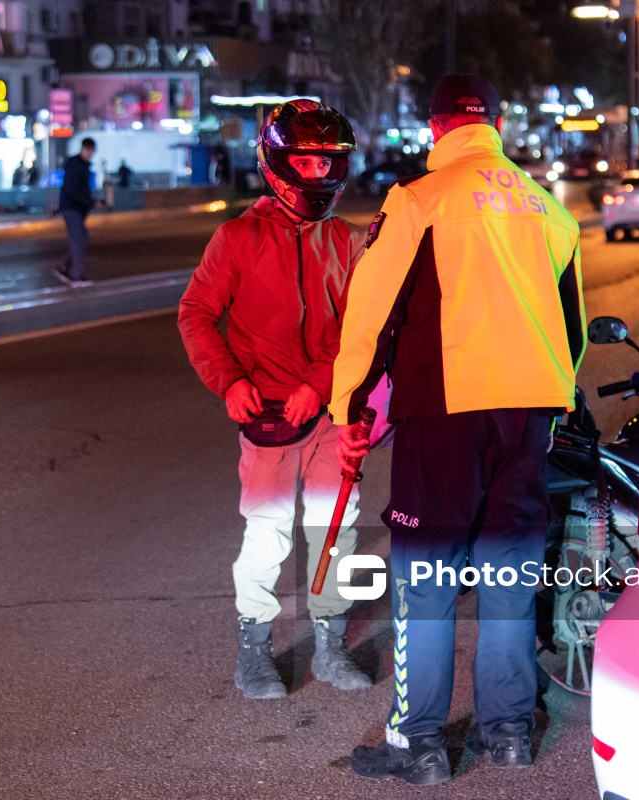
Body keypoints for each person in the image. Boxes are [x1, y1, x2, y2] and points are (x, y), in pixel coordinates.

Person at [329, 74, 586, 784]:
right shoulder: (546, 208)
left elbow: (372, 311)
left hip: (444, 410)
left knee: (427, 579)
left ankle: (419, 743)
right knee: (509, 576)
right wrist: (552, 398)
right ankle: (508, 733)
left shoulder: (419, 200)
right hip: (528, 415)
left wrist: (349, 406)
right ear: (495, 125)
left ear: (436, 127)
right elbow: (572, 329)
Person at [177, 99, 373, 701]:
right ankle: (254, 651)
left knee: (337, 531)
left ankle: (332, 647)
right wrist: (230, 381)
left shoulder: (350, 242)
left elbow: (363, 328)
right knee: (266, 535)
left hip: (334, 415)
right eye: (305, 163)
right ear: (277, 166)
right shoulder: (238, 238)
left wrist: (319, 383)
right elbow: (196, 313)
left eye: (326, 163)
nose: (316, 174)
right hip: (267, 418)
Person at [54, 137, 96, 288]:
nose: (89, 154)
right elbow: (74, 189)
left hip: (76, 207)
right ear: (84, 149)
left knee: (81, 237)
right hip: (72, 207)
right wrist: (89, 201)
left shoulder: (82, 165)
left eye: (91, 151)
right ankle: (76, 276)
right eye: (88, 150)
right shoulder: (75, 165)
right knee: (78, 239)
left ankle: (64, 267)